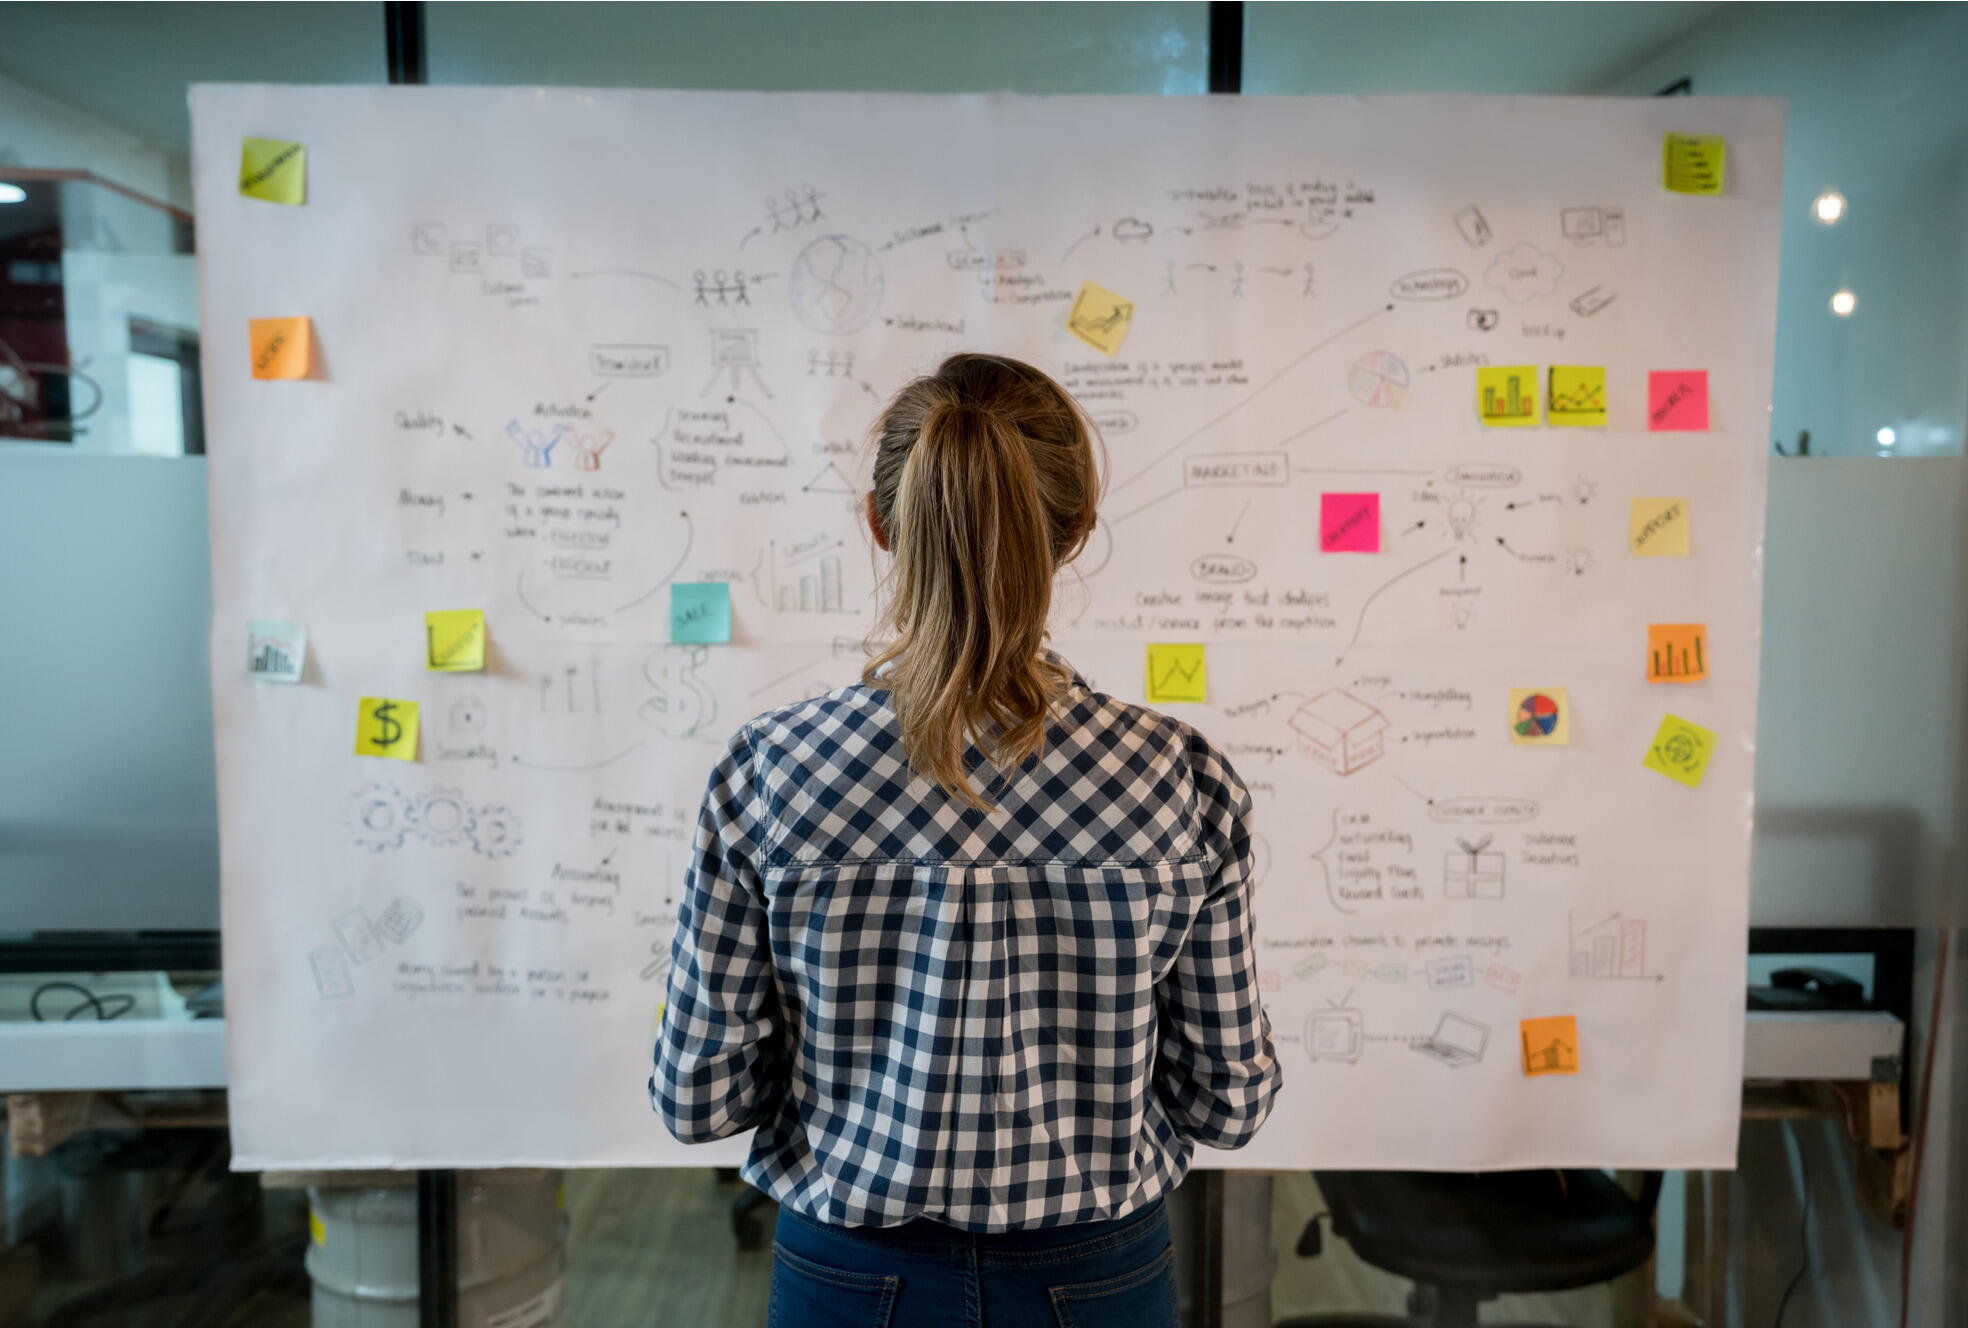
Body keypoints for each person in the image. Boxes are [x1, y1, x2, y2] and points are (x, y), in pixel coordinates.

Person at [652, 352, 1280, 1327]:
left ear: (878, 523)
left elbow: (698, 1097)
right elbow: (1228, 1104)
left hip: (850, 1271)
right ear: (1073, 534)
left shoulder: (768, 769)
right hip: (1098, 1273)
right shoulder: (1178, 774)